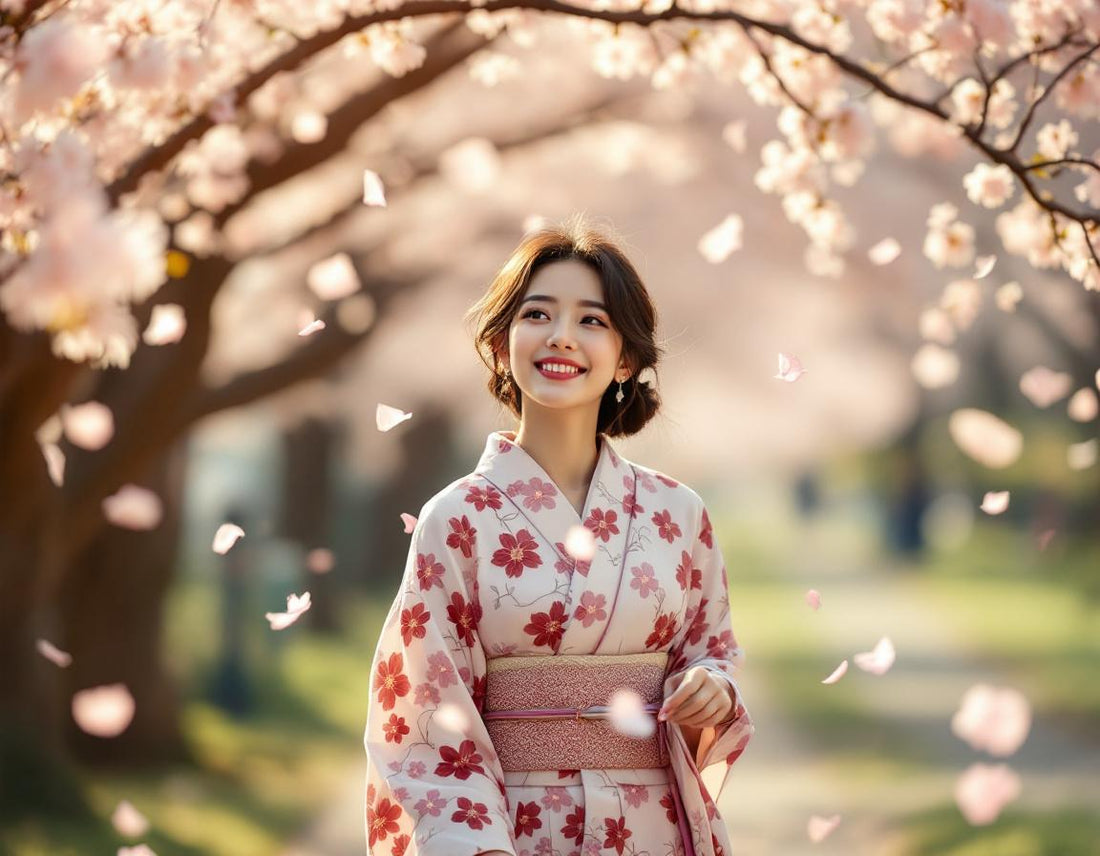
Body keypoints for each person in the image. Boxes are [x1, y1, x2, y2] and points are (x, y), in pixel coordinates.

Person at [364, 215, 754, 856]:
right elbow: (425, 712)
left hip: (652, 825)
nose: (562, 338)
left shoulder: (678, 513)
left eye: (592, 321)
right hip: (511, 829)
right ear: (501, 343)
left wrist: (715, 688)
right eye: (538, 315)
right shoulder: (456, 519)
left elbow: (712, 651)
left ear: (626, 357)